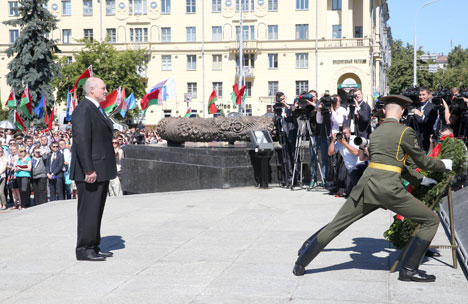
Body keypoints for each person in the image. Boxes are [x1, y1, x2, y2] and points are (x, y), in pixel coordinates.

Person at [293, 95, 452, 283]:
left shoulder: (376, 132)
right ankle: (408, 270)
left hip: (366, 187)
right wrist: (442, 164)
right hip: (390, 190)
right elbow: (419, 161)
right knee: (430, 220)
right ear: (401, 112)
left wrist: (419, 180)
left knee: (337, 224)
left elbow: (392, 163)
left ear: (385, 111)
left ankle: (301, 264)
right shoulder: (405, 132)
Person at [71, 77, 117, 261]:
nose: (106, 91)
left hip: (101, 168)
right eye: (103, 88)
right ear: (91, 90)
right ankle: (84, 249)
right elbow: (82, 141)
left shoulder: (96, 109)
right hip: (90, 171)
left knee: (96, 210)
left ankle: (93, 245)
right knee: (88, 210)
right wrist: (88, 170)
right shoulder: (83, 110)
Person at [328, 126, 366, 197]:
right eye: (342, 133)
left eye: (345, 133)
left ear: (350, 133)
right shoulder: (339, 142)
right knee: (350, 193)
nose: (343, 135)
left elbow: (355, 152)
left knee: (354, 193)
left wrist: (345, 143)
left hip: (359, 167)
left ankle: (362, 195)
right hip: (349, 170)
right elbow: (330, 153)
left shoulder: (354, 139)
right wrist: (333, 141)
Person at [414, 87, 437, 153]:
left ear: (429, 95)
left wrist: (420, 115)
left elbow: (428, 122)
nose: (421, 97)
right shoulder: (416, 106)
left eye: (423, 94)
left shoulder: (432, 107)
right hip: (416, 136)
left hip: (426, 137)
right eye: (420, 95)